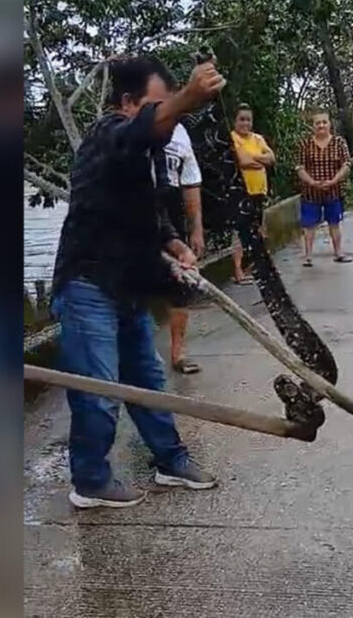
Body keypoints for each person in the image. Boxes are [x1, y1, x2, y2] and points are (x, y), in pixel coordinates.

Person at [51, 56, 224, 508]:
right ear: (127, 104)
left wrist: (174, 244)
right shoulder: (106, 135)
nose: (167, 119)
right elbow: (134, 132)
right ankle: (89, 481)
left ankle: (171, 459)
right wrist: (187, 97)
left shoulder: (148, 155)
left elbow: (151, 213)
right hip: (88, 285)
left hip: (128, 286)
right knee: (100, 391)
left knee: (147, 381)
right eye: (157, 107)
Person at [153, 67, 206, 375]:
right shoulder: (137, 131)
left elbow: (191, 184)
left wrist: (196, 228)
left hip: (170, 212)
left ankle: (177, 353)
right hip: (141, 206)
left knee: (180, 287)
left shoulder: (182, 134)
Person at [296, 109, 353, 267]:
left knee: (334, 222)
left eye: (324, 122)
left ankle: (338, 252)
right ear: (312, 126)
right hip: (310, 191)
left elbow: (347, 164)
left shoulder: (339, 142)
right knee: (309, 225)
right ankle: (307, 256)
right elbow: (299, 167)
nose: (321, 125)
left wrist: (334, 180)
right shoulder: (305, 144)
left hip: (333, 190)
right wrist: (312, 182)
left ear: (330, 124)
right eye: (317, 123)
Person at [230, 103, 276, 284]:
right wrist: (259, 159)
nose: (245, 123)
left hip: (259, 191)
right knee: (240, 233)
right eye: (242, 119)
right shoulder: (232, 138)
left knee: (257, 230)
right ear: (235, 121)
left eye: (248, 120)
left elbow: (271, 158)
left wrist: (254, 158)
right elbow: (242, 160)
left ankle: (254, 266)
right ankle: (238, 271)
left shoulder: (257, 139)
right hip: (242, 192)